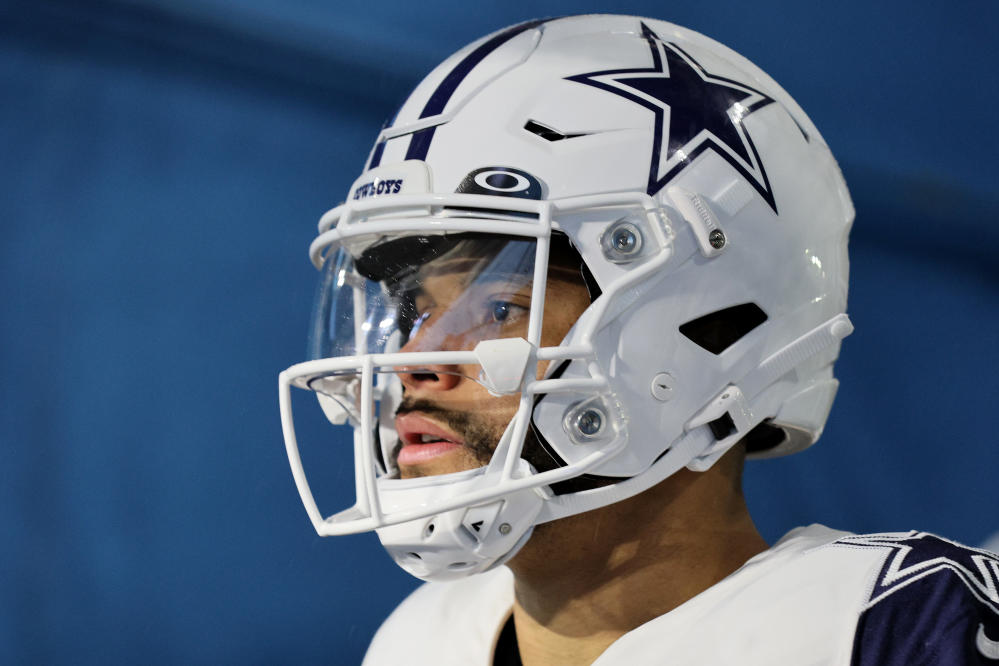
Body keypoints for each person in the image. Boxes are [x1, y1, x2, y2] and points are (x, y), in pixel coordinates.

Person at [277, 14, 999, 665]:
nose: (413, 360)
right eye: (413, 311)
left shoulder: (888, 632)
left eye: (498, 308)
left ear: (707, 329)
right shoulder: (417, 645)